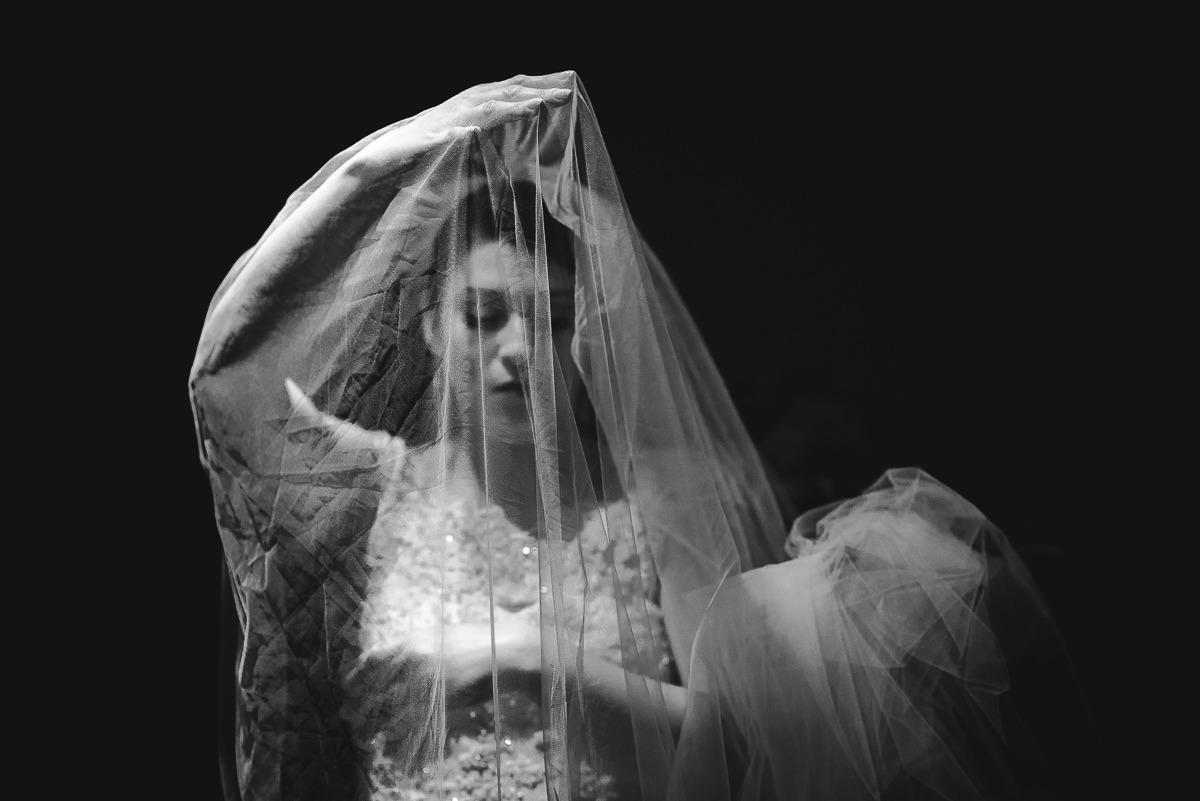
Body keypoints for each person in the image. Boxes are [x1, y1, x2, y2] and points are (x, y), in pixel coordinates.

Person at [192, 71, 1085, 800]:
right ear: (431, 330)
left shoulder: (659, 501)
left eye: (547, 319)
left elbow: (737, 749)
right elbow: (230, 360)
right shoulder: (367, 490)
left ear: (586, 337)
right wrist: (416, 148)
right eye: (483, 315)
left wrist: (542, 662)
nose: (515, 351)